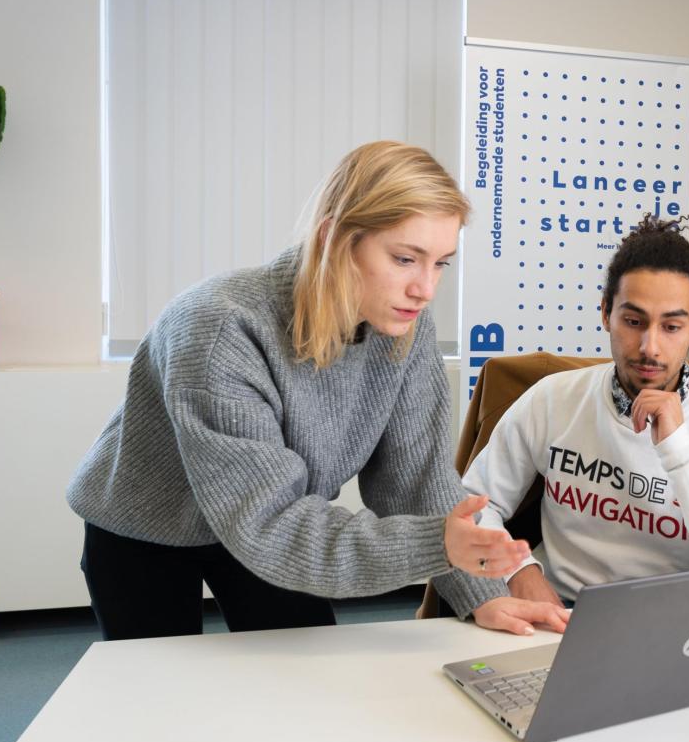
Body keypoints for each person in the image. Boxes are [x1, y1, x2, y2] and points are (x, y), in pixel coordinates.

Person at [67, 141, 566, 640]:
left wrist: (487, 596)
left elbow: (417, 480)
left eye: (440, 263)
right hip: (149, 527)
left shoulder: (405, 326)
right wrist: (440, 544)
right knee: (159, 695)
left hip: (280, 515)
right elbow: (268, 524)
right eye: (405, 258)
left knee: (304, 678)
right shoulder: (220, 328)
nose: (425, 288)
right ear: (334, 239)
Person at [459, 215, 689, 607]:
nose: (649, 346)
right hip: (561, 615)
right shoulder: (552, 399)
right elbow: (472, 505)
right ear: (605, 314)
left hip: (683, 627)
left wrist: (679, 448)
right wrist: (518, 572)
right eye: (633, 321)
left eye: (671, 327)